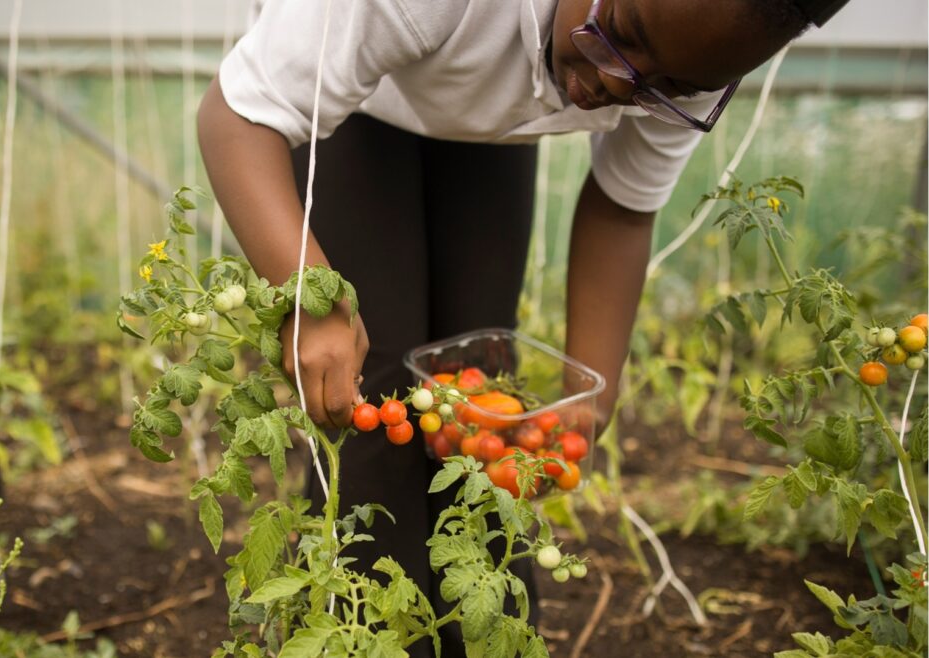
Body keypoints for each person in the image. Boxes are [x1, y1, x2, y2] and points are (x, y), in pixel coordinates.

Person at [197, 0, 849, 654]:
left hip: (488, 104)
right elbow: (236, 117)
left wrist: (588, 395)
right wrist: (314, 301)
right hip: (348, 94)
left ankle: (491, 640)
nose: (619, 86)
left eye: (667, 88)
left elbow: (624, 208)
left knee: (482, 400)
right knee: (376, 392)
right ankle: (367, 633)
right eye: (620, 34)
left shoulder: (696, 47)